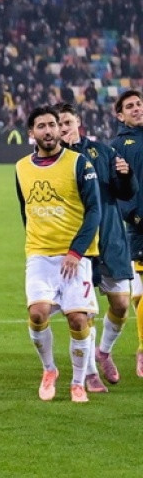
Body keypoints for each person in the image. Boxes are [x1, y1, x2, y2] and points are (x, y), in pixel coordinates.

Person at [16, 106, 100, 403]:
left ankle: (78, 383)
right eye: (42, 126)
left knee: (77, 320)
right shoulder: (21, 167)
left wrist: (76, 252)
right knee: (37, 313)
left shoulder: (79, 163)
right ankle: (49, 369)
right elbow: (25, 210)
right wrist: (35, 243)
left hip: (74, 256)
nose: (49, 130)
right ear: (32, 133)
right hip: (39, 254)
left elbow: (94, 211)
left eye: (52, 125)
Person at [56, 103, 133, 392]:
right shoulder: (55, 160)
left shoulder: (103, 152)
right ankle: (89, 373)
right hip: (78, 243)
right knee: (84, 312)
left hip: (110, 237)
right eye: (58, 124)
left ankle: (103, 352)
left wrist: (125, 175)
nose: (63, 128)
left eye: (67, 122)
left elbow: (125, 193)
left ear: (78, 122)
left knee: (121, 304)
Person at [109, 89, 143, 377]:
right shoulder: (118, 146)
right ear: (120, 116)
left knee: (140, 292)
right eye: (130, 106)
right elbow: (120, 190)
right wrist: (134, 215)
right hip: (141, 226)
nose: (137, 108)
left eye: (139, 104)